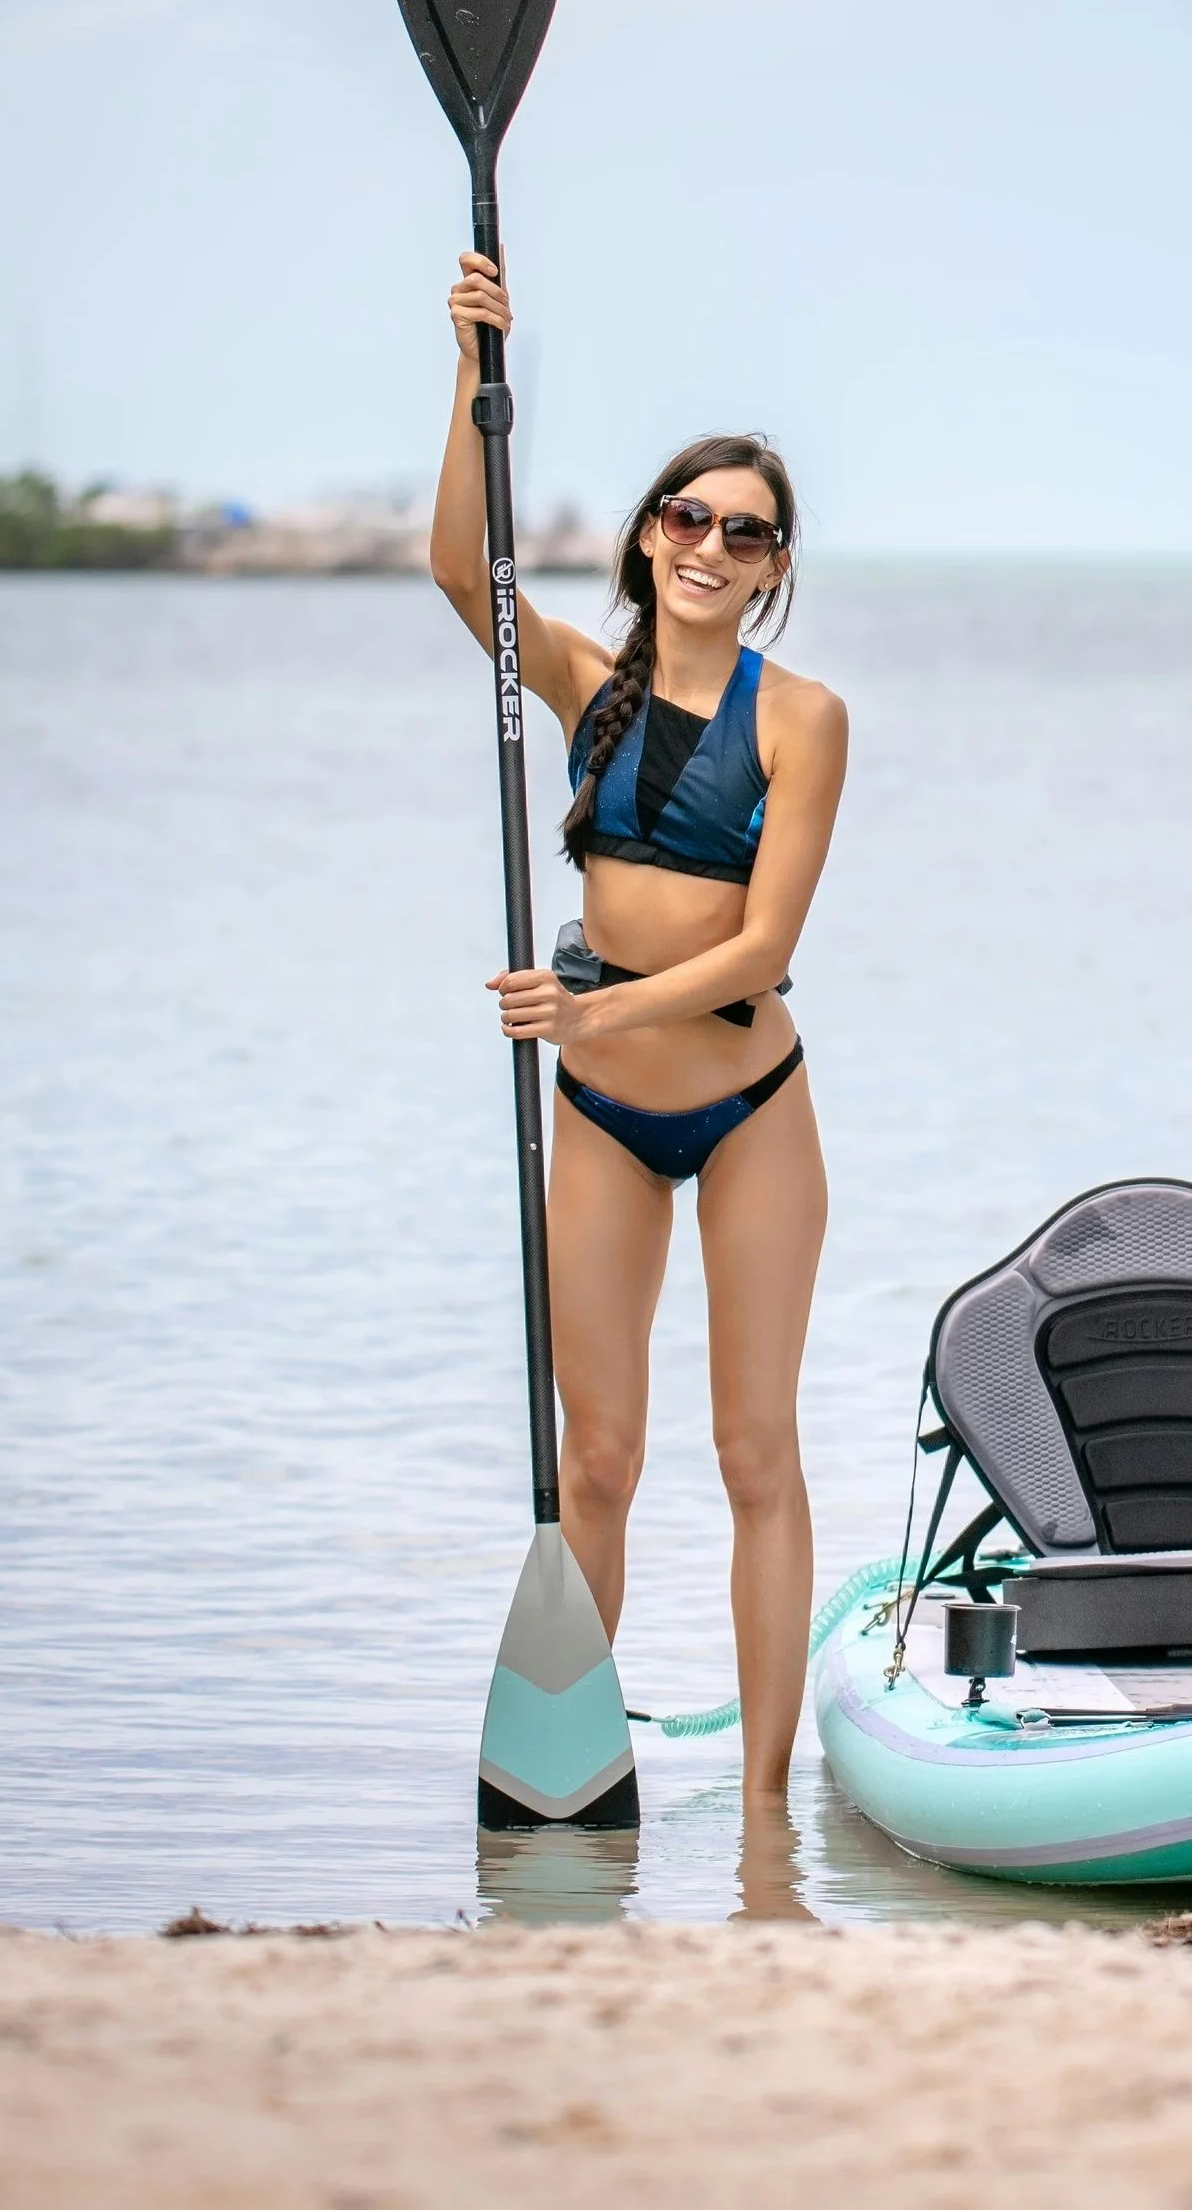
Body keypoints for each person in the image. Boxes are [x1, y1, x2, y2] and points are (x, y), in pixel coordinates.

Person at [433, 253, 847, 1810]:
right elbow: (455, 569)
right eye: (689, 516)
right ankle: (572, 1774)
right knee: (597, 1458)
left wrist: (594, 1001)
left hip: (752, 1108)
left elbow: (765, 946)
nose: (711, 545)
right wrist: (474, 372)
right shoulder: (585, 678)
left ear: (773, 567)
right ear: (647, 533)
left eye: (747, 531)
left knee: (756, 1453)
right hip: (602, 1112)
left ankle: (763, 1818)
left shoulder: (802, 718)